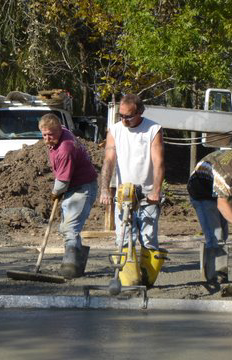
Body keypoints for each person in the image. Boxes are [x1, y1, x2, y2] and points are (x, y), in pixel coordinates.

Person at [100, 94, 167, 288]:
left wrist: (156, 190)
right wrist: (105, 189)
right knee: (123, 237)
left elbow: (158, 162)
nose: (123, 120)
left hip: (147, 195)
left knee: (148, 238)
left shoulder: (153, 129)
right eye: (121, 115)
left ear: (139, 112)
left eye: (128, 116)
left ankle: (147, 280)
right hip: (123, 193)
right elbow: (109, 160)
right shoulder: (115, 130)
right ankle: (130, 281)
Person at [187, 143, 232, 283]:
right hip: (201, 191)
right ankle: (214, 276)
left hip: (217, 190)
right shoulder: (227, 172)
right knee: (216, 235)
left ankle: (211, 269)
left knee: (223, 235)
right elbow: (222, 204)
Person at [39, 113, 98, 279]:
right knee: (67, 228)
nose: (47, 138)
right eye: (44, 135)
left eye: (51, 134)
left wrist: (54, 193)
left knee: (70, 228)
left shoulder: (66, 148)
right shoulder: (60, 134)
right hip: (74, 185)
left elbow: (63, 181)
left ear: (59, 130)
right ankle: (76, 265)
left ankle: (70, 267)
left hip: (82, 187)